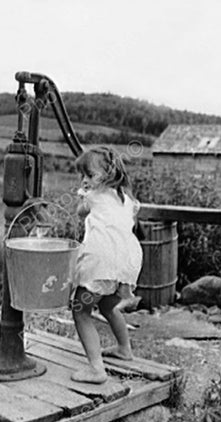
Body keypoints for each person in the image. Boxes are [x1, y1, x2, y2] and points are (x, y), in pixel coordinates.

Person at [71, 145, 143, 384]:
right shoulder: (129, 200)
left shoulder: (91, 196)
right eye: (83, 176)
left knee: (81, 310)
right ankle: (124, 349)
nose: (85, 180)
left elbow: (81, 212)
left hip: (101, 261)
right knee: (109, 306)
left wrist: (82, 194)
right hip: (127, 263)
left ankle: (96, 370)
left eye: (89, 176)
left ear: (109, 174)